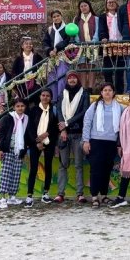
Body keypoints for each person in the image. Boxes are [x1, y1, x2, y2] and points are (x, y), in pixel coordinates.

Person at [82, 83, 124, 208]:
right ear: (101, 92)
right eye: (105, 90)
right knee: (95, 169)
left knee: (107, 169)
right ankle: (95, 196)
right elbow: (87, 122)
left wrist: (120, 144)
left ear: (114, 92)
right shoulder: (94, 106)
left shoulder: (120, 107)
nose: (107, 92)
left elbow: (123, 126)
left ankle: (104, 195)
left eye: (110, 90)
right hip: (96, 141)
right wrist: (86, 140)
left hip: (111, 142)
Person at [55, 71, 91, 204]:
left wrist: (68, 123)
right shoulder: (62, 94)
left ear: (78, 80)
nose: (72, 80)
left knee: (78, 165)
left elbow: (84, 112)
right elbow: (59, 111)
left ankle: (80, 194)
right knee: (63, 164)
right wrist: (63, 129)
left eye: (74, 78)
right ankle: (60, 193)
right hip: (64, 134)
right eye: (69, 78)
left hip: (78, 133)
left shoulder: (84, 94)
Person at [24, 88, 59, 207]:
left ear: (51, 98)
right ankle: (29, 196)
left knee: (48, 167)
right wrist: (36, 141)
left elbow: (55, 127)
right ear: (40, 97)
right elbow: (30, 127)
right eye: (43, 95)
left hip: (49, 142)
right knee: (34, 168)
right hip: (35, 143)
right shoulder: (33, 110)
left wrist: (47, 134)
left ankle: (45, 193)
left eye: (47, 95)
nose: (45, 97)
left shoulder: (54, 110)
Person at [0, 97, 29, 209]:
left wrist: (24, 150)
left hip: (19, 149)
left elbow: (26, 136)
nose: (20, 108)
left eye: (22, 106)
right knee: (6, 174)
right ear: (14, 107)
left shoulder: (26, 119)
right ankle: (2, 198)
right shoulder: (7, 118)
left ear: (25, 107)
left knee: (16, 174)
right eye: (18, 106)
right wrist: (0, 149)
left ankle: (12, 197)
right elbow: (0, 134)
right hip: (7, 149)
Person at [73, 0, 105, 89]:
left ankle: (90, 87)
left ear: (89, 6)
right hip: (81, 46)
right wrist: (79, 42)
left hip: (93, 46)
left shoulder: (96, 18)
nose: (83, 8)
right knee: (82, 66)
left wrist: (93, 42)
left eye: (85, 5)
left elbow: (97, 31)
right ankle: (84, 88)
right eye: (81, 6)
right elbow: (75, 33)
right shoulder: (77, 19)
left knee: (91, 66)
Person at [41, 10, 71, 103]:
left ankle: (61, 99)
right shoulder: (50, 29)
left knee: (61, 77)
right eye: (54, 17)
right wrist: (49, 50)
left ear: (61, 16)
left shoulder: (67, 28)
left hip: (63, 57)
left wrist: (57, 48)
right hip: (52, 57)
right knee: (51, 79)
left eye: (58, 16)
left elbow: (67, 41)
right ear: (52, 19)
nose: (56, 18)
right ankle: (53, 100)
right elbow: (45, 42)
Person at [101, 0, 125, 93]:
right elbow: (102, 29)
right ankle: (109, 90)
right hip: (108, 46)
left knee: (120, 70)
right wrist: (103, 37)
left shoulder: (121, 15)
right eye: (109, 2)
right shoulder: (103, 17)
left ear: (116, 4)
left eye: (113, 2)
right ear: (106, 5)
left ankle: (119, 91)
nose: (111, 4)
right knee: (108, 70)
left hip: (120, 45)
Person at [11, 36, 44, 105]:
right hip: (22, 83)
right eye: (26, 44)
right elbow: (14, 72)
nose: (29, 45)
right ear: (22, 46)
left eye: (30, 44)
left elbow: (43, 66)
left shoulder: (37, 56)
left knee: (37, 97)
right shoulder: (18, 59)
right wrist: (14, 87)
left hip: (35, 81)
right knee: (24, 101)